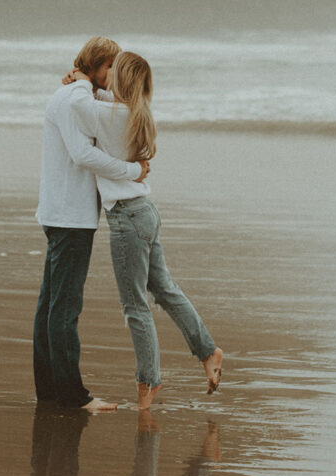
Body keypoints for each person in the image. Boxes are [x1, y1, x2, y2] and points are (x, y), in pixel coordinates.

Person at [68, 51, 223, 410]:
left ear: (120, 80)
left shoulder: (111, 114)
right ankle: (207, 351)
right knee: (165, 290)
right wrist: (91, 87)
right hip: (146, 212)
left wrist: (80, 80)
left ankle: (149, 380)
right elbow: (104, 105)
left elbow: (81, 108)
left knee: (134, 305)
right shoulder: (135, 112)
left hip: (127, 218)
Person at [33, 36, 150, 413]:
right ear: (98, 64)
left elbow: (104, 108)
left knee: (51, 306)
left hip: (63, 211)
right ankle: (72, 396)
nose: (114, 75)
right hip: (70, 215)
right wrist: (134, 171)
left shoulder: (76, 96)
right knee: (64, 308)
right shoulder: (74, 99)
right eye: (110, 68)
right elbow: (83, 153)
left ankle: (51, 390)